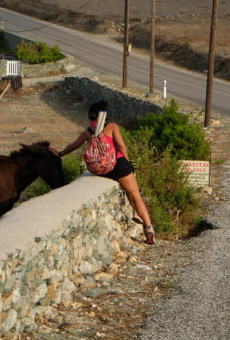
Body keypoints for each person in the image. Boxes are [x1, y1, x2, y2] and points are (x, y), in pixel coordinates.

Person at [50, 100, 155, 245]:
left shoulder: (87, 133)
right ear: (105, 116)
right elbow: (121, 146)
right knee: (134, 193)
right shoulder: (112, 127)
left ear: (91, 117)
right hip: (117, 165)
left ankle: (136, 213)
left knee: (130, 192)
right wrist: (128, 164)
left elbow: (72, 147)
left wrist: (60, 153)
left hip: (100, 170)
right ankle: (148, 228)